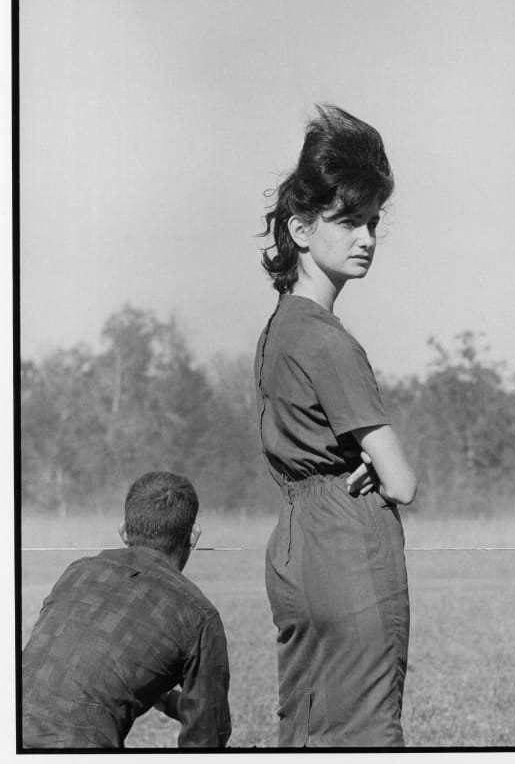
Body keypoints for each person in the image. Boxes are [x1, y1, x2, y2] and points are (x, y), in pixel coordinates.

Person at [254, 105, 417, 747]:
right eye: (348, 221)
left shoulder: (277, 332)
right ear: (299, 228)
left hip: (293, 544)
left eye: (372, 222)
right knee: (364, 734)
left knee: (307, 729)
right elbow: (402, 482)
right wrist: (379, 460)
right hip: (348, 546)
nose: (366, 238)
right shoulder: (326, 340)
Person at [21, 471, 231, 750]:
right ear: (193, 535)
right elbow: (206, 738)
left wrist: (166, 699)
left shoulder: (77, 572)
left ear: (123, 531)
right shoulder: (199, 616)